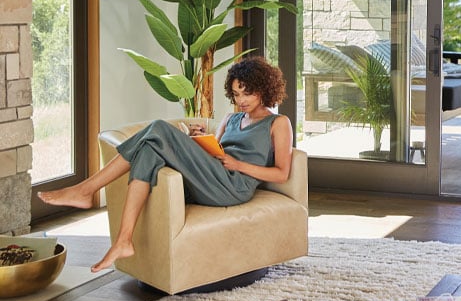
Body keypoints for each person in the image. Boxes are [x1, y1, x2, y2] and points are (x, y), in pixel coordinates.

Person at [38, 56, 294, 272]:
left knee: (158, 128)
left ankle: (86, 190)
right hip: (211, 177)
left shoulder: (278, 123)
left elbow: (281, 173)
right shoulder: (231, 118)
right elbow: (213, 152)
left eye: (247, 93)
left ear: (263, 89)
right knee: (149, 150)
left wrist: (238, 165)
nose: (241, 100)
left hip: (233, 186)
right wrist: (194, 140)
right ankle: (123, 240)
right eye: (236, 93)